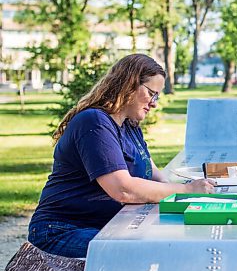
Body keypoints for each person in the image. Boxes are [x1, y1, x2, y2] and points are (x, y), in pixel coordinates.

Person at [28, 54, 215, 258]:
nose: (154, 103)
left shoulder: (129, 126)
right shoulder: (94, 122)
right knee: (140, 255)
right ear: (129, 85)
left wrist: (196, 195)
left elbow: (156, 177)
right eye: (151, 93)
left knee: (172, 241)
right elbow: (122, 190)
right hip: (61, 230)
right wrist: (186, 190)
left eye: (157, 97)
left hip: (107, 225)